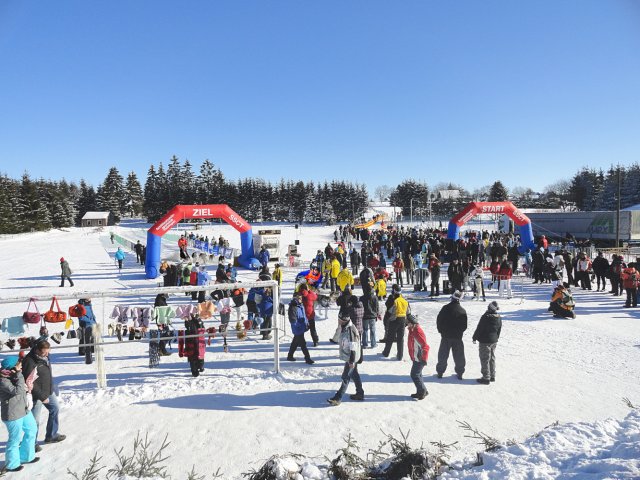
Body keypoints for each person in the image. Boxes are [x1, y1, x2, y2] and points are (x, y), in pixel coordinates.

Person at [22, 340, 66, 446]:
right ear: (37, 350)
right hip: (36, 395)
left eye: (48, 352)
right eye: (44, 353)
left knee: (55, 408)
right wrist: (41, 396)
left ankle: (51, 435)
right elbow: (29, 382)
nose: (46, 354)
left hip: (48, 390)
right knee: (34, 420)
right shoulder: (29, 361)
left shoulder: (44, 356)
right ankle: (32, 443)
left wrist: (51, 387)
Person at [0, 356, 38, 472]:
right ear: (12, 367)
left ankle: (26, 456)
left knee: (32, 430)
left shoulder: (13, 376)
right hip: (12, 414)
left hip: (23, 409)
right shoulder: (3, 380)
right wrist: (19, 375)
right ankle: (12, 464)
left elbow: (22, 389)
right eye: (18, 365)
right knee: (15, 439)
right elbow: (18, 390)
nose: (21, 366)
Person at [327, 314, 364, 406]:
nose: (338, 321)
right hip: (351, 356)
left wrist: (351, 361)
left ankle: (338, 398)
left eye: (339, 319)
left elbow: (353, 346)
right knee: (354, 374)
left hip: (351, 357)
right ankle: (360, 393)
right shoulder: (345, 327)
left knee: (346, 377)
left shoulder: (350, 330)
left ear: (343, 320)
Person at [435, 290, 467, 380]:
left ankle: (440, 372)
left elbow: (439, 321)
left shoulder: (445, 308)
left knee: (443, 355)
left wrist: (441, 331)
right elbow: (464, 326)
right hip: (457, 337)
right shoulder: (462, 311)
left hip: (445, 336)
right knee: (459, 356)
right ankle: (460, 373)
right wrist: (459, 332)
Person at [472, 301, 502, 384]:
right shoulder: (498, 317)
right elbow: (499, 329)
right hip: (494, 341)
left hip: (485, 341)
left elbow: (479, 328)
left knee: (485, 358)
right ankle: (492, 376)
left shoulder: (485, 317)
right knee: (492, 358)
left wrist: (474, 337)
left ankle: (486, 378)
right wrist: (496, 338)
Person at [381, 284, 409, 360]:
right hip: (402, 320)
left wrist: (386, 320)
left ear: (394, 291)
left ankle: (386, 353)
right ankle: (400, 356)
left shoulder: (395, 301)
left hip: (394, 320)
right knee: (400, 339)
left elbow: (390, 311)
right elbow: (408, 312)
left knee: (390, 337)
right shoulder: (405, 301)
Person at [287, 291, 314, 364]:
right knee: (303, 344)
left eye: (301, 298)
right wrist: (299, 326)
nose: (301, 299)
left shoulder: (300, 305)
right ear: (295, 298)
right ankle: (307, 358)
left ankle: (290, 356)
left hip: (301, 327)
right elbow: (293, 320)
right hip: (298, 329)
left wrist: (306, 323)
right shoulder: (293, 307)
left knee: (295, 342)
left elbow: (304, 316)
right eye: (299, 298)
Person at [407, 314, 429, 400]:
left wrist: (424, 359)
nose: (407, 324)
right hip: (415, 357)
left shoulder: (418, 332)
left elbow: (425, 346)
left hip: (420, 358)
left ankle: (422, 391)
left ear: (413, 323)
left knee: (414, 374)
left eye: (408, 322)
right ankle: (422, 391)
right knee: (418, 374)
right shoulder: (412, 330)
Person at [77, 298, 97, 364]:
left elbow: (91, 313)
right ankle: (83, 351)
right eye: (88, 298)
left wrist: (94, 320)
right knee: (85, 337)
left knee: (90, 337)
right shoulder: (82, 305)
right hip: (86, 323)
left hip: (90, 322)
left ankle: (90, 349)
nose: (90, 299)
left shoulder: (88, 304)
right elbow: (82, 315)